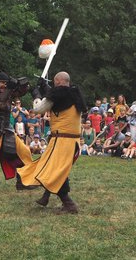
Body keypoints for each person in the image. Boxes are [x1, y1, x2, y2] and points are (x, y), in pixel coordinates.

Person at [17, 72, 86, 214]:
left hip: (62, 141)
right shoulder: (74, 92)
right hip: (73, 142)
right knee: (57, 170)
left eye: (54, 83)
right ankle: (46, 197)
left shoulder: (60, 93)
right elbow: (57, 97)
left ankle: (69, 204)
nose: (54, 86)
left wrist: (36, 95)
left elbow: (39, 108)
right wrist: (45, 86)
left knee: (50, 170)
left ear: (58, 81)